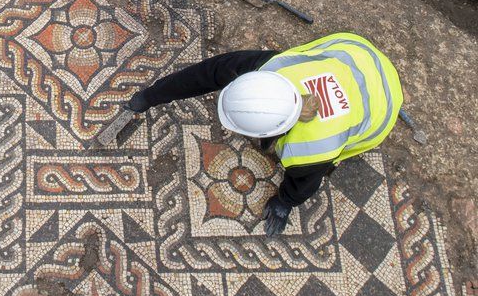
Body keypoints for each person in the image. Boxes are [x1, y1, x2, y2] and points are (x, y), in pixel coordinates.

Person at [125, 33, 403, 235]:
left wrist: (284, 202)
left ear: (275, 134)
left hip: (384, 108)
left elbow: (306, 184)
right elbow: (207, 73)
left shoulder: (312, 149)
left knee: (329, 162)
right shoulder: (269, 68)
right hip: (356, 52)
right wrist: (151, 96)